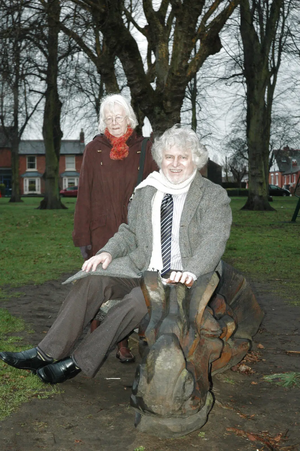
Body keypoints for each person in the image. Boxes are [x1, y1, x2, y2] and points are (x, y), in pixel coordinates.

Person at [0, 125, 232, 385]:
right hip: (143, 269)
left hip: (182, 279)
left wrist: (191, 270)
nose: (175, 164)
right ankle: (45, 352)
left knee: (136, 300)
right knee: (91, 280)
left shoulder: (212, 195)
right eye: (169, 157)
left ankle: (77, 361)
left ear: (196, 160)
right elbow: (130, 232)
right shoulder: (149, 191)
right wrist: (108, 252)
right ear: (160, 159)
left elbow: (214, 239)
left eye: (183, 157)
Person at [73, 94, 158, 363]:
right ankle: (95, 340)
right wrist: (83, 236)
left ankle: (125, 343)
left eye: (118, 117)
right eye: (108, 118)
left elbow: (157, 189)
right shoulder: (93, 149)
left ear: (129, 118)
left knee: (130, 286)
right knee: (97, 286)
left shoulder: (145, 147)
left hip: (134, 231)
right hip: (101, 230)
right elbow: (84, 193)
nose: (114, 122)